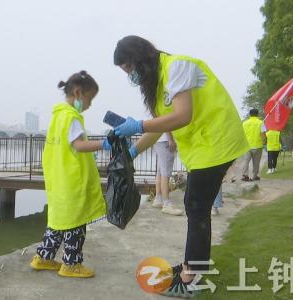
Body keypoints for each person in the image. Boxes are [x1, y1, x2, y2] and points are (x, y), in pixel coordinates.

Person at [113, 36, 249, 297]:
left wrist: (139, 125)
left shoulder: (176, 67)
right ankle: (192, 266)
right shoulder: (158, 83)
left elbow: (183, 115)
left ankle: (190, 279)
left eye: (130, 68)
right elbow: (159, 128)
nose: (130, 76)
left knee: (196, 206)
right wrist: (131, 151)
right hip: (203, 147)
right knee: (196, 205)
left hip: (217, 140)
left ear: (140, 58)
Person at [30, 71, 110, 278]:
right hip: (72, 180)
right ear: (78, 92)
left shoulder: (57, 116)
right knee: (75, 222)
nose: (89, 105)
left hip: (57, 178)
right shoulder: (72, 117)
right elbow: (79, 145)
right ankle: (71, 264)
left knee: (57, 221)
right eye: (89, 99)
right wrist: (104, 144)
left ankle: (44, 257)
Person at [152, 132, 183, 215]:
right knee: (165, 173)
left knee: (160, 171)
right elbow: (167, 124)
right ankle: (166, 204)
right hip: (165, 140)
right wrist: (171, 139)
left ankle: (158, 199)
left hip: (157, 138)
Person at [241, 109, 267, 181]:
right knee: (256, 162)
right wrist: (264, 142)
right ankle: (254, 176)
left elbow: (242, 134)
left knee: (246, 161)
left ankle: (245, 175)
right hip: (257, 146)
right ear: (257, 114)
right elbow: (263, 134)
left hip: (247, 146)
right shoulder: (260, 123)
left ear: (250, 114)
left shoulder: (245, 123)